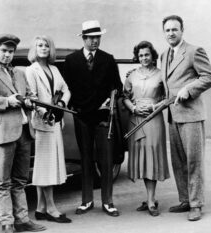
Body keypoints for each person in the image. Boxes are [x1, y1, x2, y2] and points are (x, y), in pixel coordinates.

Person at [0, 34, 46, 233]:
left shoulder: (19, 73)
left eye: (11, 52)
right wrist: (7, 102)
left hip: (23, 131)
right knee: (2, 181)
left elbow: (30, 94)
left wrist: (30, 101)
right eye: (4, 51)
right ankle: (7, 223)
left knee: (21, 179)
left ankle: (22, 219)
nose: (7, 55)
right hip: (4, 132)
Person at [63, 20, 123, 217]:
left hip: (103, 117)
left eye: (98, 37)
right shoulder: (71, 60)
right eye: (91, 37)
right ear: (84, 38)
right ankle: (87, 200)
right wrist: (73, 107)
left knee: (105, 160)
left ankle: (108, 202)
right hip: (82, 117)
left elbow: (117, 86)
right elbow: (66, 89)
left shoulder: (108, 59)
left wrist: (110, 101)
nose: (95, 40)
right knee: (86, 159)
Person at [161, 15, 211, 221]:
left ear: (182, 30)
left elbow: (210, 77)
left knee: (194, 161)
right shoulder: (163, 55)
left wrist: (189, 90)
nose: (171, 33)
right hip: (173, 116)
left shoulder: (194, 51)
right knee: (178, 161)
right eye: (167, 30)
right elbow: (165, 84)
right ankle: (185, 199)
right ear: (164, 32)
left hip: (191, 115)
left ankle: (196, 204)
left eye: (175, 29)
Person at [25, 35, 71, 223]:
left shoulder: (54, 69)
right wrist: (47, 112)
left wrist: (60, 104)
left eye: (46, 45)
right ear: (34, 49)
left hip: (55, 120)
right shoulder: (31, 70)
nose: (43, 48)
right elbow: (33, 97)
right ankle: (51, 208)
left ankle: (40, 208)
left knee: (45, 165)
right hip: (43, 122)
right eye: (40, 45)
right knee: (45, 166)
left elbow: (66, 90)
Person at [123, 41, 170, 217]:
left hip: (153, 119)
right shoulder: (131, 75)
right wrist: (133, 108)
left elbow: (167, 98)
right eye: (141, 55)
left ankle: (151, 200)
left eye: (147, 55)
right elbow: (125, 97)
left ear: (153, 56)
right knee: (142, 158)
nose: (144, 58)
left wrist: (153, 107)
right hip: (135, 120)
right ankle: (149, 197)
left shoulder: (161, 75)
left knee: (151, 156)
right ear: (137, 57)